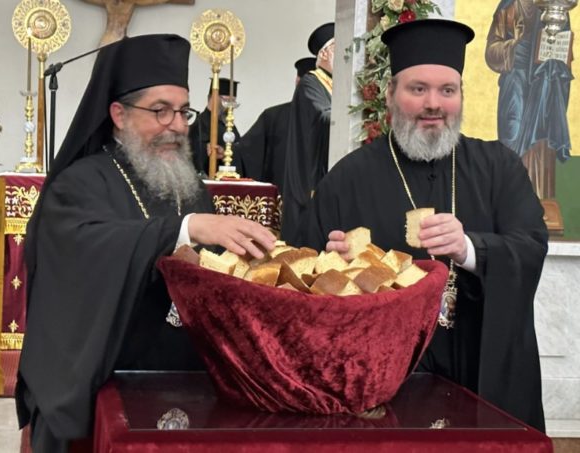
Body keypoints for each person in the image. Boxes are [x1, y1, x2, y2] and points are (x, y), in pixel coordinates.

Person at [15, 34, 275, 452]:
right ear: (118, 114)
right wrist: (182, 230)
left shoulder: (187, 186)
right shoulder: (80, 183)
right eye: (160, 111)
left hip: (186, 382)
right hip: (106, 383)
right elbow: (85, 254)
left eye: (183, 111)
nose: (177, 125)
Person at [298, 19, 548, 432]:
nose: (434, 103)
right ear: (390, 94)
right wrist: (333, 269)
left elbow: (531, 246)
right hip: (381, 390)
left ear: (461, 95)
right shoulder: (347, 179)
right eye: (418, 89)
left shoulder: (499, 168)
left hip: (481, 375)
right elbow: (301, 280)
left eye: (447, 90)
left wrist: (469, 249)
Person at [485, 0, 572, 199]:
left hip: (544, 87)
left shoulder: (556, 7)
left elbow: (565, 52)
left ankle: (539, 201)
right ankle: (510, 199)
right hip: (514, 84)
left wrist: (554, 56)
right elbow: (491, 52)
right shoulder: (509, 7)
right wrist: (514, 48)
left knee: (542, 142)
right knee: (512, 134)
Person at [281, 23, 334, 243]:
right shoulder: (311, 82)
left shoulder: (334, 84)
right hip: (311, 173)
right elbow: (324, 116)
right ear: (325, 53)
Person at [235, 57, 317, 190]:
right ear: (298, 82)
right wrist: (226, 152)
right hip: (280, 196)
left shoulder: (330, 120)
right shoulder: (273, 117)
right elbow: (246, 151)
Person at [188, 77, 241, 176]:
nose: (230, 108)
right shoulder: (199, 125)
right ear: (213, 98)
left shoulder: (230, 126)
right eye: (226, 101)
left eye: (233, 102)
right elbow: (196, 160)